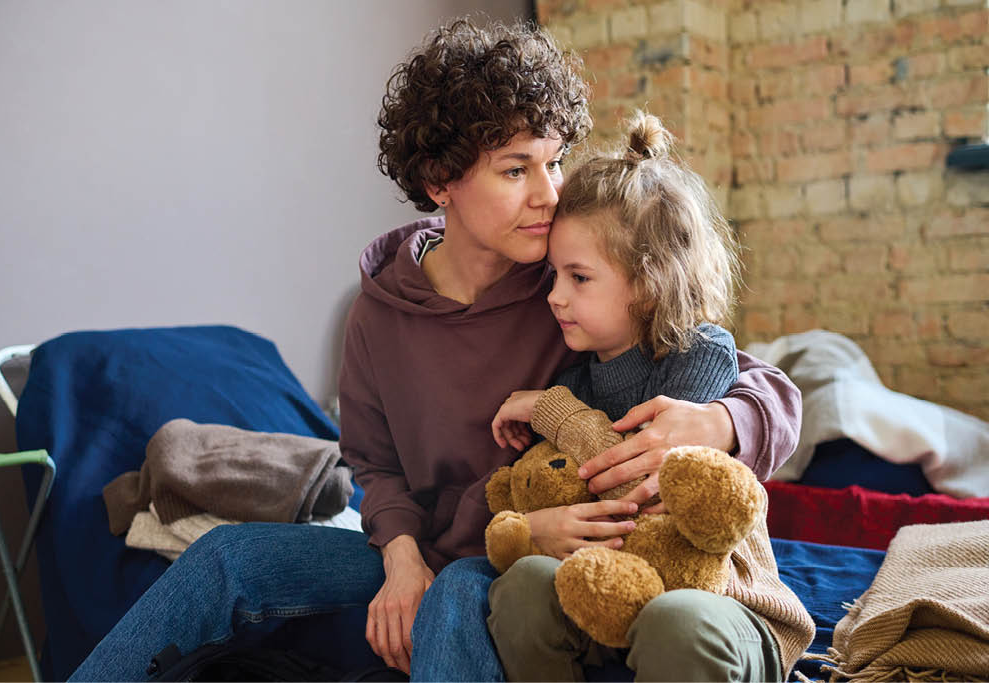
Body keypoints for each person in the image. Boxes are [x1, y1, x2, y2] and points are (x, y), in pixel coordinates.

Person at [68, 19, 802, 682]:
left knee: (457, 594)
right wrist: (398, 554)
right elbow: (375, 466)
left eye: (554, 163)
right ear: (439, 182)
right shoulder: (377, 316)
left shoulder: (569, 284)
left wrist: (719, 422)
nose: (549, 194)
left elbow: (742, 371)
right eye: (517, 170)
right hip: (428, 542)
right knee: (226, 558)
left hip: (515, 550)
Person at [483, 112, 814, 682]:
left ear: (648, 283)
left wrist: (550, 411)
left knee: (674, 620)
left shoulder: (698, 353)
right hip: (609, 593)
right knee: (521, 589)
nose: (556, 297)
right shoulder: (576, 381)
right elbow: (559, 486)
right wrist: (535, 528)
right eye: (555, 276)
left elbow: (641, 483)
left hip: (720, 599)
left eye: (579, 278)